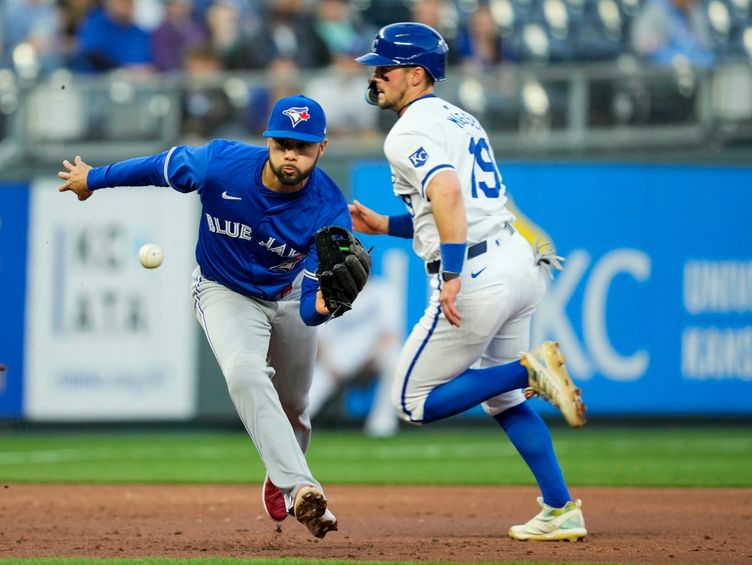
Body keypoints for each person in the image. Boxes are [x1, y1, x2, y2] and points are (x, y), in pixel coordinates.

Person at [57, 94, 347, 539]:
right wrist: (94, 178)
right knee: (244, 372)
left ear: (321, 148)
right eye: (283, 143)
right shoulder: (220, 164)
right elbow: (158, 167)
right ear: (268, 141)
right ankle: (301, 488)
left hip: (287, 297)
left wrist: (324, 306)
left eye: (303, 146)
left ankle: (279, 471)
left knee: (294, 407)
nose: (291, 154)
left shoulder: (328, 207)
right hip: (224, 290)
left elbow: (310, 310)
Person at [352, 22, 588, 542]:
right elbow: (465, 207)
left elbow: (451, 195)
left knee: (411, 403)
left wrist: (453, 274)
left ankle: (528, 370)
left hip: (477, 272)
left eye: (384, 67)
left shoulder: (407, 131)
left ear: (416, 75)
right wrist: (386, 225)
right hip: (515, 261)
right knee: (503, 401)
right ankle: (560, 507)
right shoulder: (461, 118)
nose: (375, 76)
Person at [310, 274, 402, 437]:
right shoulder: (329, 293)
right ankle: (290, 427)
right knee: (313, 390)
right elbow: (320, 340)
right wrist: (331, 366)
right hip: (337, 360)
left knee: (394, 359)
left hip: (372, 356)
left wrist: (374, 357)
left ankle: (382, 425)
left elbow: (390, 334)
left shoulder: (382, 291)